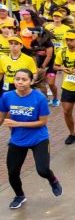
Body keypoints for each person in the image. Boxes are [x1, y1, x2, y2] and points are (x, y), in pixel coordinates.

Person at [0, 68, 62, 209]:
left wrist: (18, 123)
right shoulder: (7, 96)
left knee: (42, 170)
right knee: (12, 172)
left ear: (31, 81)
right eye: (17, 79)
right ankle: (19, 196)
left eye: (24, 79)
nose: (20, 82)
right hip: (17, 140)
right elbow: (1, 117)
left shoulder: (39, 97)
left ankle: (53, 180)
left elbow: (42, 122)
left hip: (38, 139)